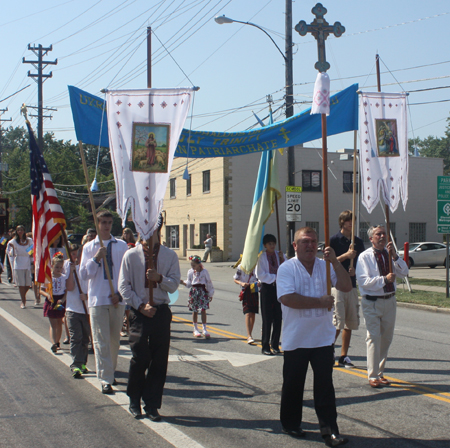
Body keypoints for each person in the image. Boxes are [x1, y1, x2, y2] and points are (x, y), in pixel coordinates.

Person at [277, 227, 352, 446]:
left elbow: (346, 286)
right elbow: (288, 298)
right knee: (293, 385)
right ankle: (291, 423)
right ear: (295, 245)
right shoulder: (286, 268)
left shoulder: (325, 266)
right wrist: (319, 302)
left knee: (325, 387)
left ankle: (330, 431)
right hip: (296, 338)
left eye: (313, 242)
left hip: (322, 339)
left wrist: (336, 262)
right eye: (304, 241)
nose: (310, 246)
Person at [118, 218, 180, 421]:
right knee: (140, 357)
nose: (147, 231)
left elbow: (174, 285)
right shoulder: (131, 255)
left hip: (160, 312)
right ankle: (134, 400)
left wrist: (160, 278)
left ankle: (152, 404)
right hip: (140, 312)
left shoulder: (169, 255)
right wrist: (140, 305)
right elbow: (124, 287)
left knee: (159, 361)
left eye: (152, 227)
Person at [79, 210, 128, 394]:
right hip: (98, 299)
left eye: (109, 222)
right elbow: (84, 275)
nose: (106, 225)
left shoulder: (121, 246)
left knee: (114, 341)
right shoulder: (89, 247)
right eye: (103, 222)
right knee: (101, 341)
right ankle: (105, 379)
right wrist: (96, 258)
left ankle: (111, 371)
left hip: (117, 299)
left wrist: (120, 294)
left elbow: (127, 273)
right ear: (98, 224)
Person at [355, 225, 408, 388]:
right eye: (378, 234)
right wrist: (384, 280)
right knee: (374, 337)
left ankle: (380, 372)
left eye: (384, 234)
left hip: (390, 300)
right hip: (372, 302)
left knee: (386, 338)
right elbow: (363, 282)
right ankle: (372, 375)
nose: (382, 236)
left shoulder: (390, 254)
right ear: (371, 238)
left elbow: (404, 272)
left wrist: (395, 257)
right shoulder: (364, 257)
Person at [330, 210, 365, 368]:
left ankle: (344, 355)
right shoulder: (334, 240)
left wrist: (355, 270)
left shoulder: (358, 241)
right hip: (337, 285)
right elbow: (329, 261)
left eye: (352, 221)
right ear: (342, 222)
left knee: (349, 322)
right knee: (338, 321)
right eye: (347, 221)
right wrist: (346, 256)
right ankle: (329, 348)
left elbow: (363, 262)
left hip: (351, 285)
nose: (350, 223)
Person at [255, 234, 284, 355]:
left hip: (278, 288)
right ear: (265, 245)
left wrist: (282, 259)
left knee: (278, 317)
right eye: (269, 244)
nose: (272, 246)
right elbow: (260, 274)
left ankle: (275, 344)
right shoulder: (262, 257)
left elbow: (286, 268)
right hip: (267, 288)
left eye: (273, 243)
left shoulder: (279, 255)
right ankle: (265, 346)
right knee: (267, 318)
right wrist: (276, 277)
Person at [41, 253, 75, 353]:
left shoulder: (64, 277)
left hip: (60, 300)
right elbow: (41, 289)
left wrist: (64, 299)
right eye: (56, 267)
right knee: (53, 323)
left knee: (59, 322)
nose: (58, 269)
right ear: (52, 266)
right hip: (51, 300)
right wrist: (47, 295)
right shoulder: (49, 277)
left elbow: (66, 290)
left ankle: (57, 342)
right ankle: (54, 343)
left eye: (60, 267)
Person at [65, 244, 90, 379]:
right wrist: (71, 271)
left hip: (86, 310)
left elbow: (93, 288)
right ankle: (76, 364)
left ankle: (83, 363)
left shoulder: (87, 270)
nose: (74, 257)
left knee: (85, 339)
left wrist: (86, 296)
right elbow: (69, 287)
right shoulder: (69, 268)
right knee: (76, 338)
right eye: (72, 254)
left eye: (76, 254)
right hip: (73, 309)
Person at [181, 255, 214, 338]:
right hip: (194, 291)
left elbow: (209, 282)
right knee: (194, 310)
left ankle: (204, 329)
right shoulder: (190, 272)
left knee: (203, 309)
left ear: (199, 264)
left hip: (202, 291)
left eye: (194, 265)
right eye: (191, 265)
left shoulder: (204, 272)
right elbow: (189, 283)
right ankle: (195, 328)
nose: (192, 267)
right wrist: (183, 282)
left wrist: (210, 293)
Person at [7, 225, 33, 308]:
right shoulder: (13, 241)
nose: (20, 231)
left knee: (28, 284)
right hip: (18, 263)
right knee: (21, 284)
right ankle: (23, 301)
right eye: (18, 230)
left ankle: (23, 296)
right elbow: (10, 253)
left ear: (24, 231)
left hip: (27, 263)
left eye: (21, 230)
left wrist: (32, 260)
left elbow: (32, 251)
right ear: (17, 232)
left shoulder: (29, 240)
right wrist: (12, 249)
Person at [233, 263, 259, 344]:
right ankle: (249, 335)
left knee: (253, 313)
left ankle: (250, 333)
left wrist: (258, 283)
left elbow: (260, 277)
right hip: (246, 290)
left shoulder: (257, 265)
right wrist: (241, 283)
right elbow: (235, 279)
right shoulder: (241, 267)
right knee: (248, 313)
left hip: (254, 290)